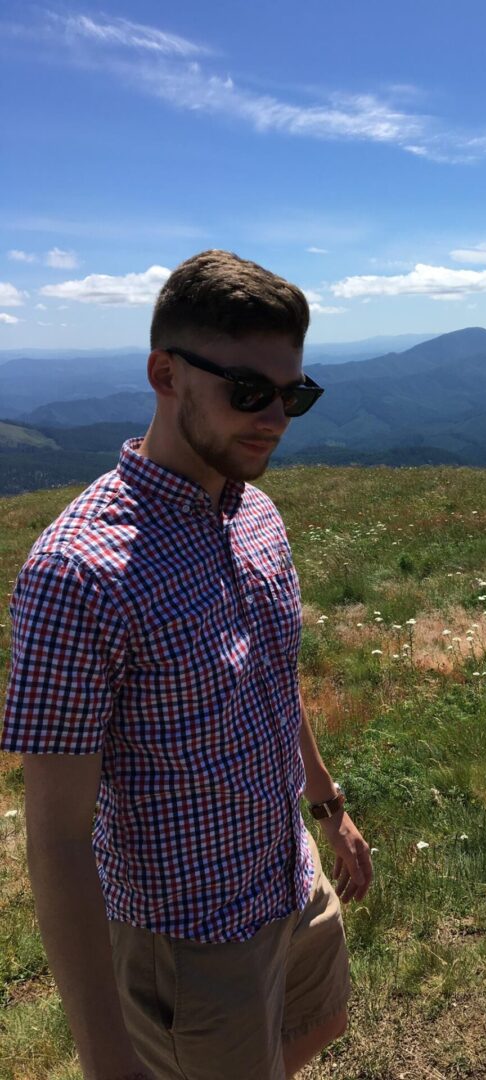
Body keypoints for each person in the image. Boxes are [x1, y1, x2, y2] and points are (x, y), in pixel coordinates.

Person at [1, 250, 373, 1080]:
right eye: (249, 391)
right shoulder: (78, 572)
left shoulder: (259, 515)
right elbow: (56, 842)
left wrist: (328, 805)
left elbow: (274, 680)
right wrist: (106, 1058)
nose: (274, 416)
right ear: (164, 374)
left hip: (287, 877)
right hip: (191, 937)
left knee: (320, 1025)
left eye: (293, 395)